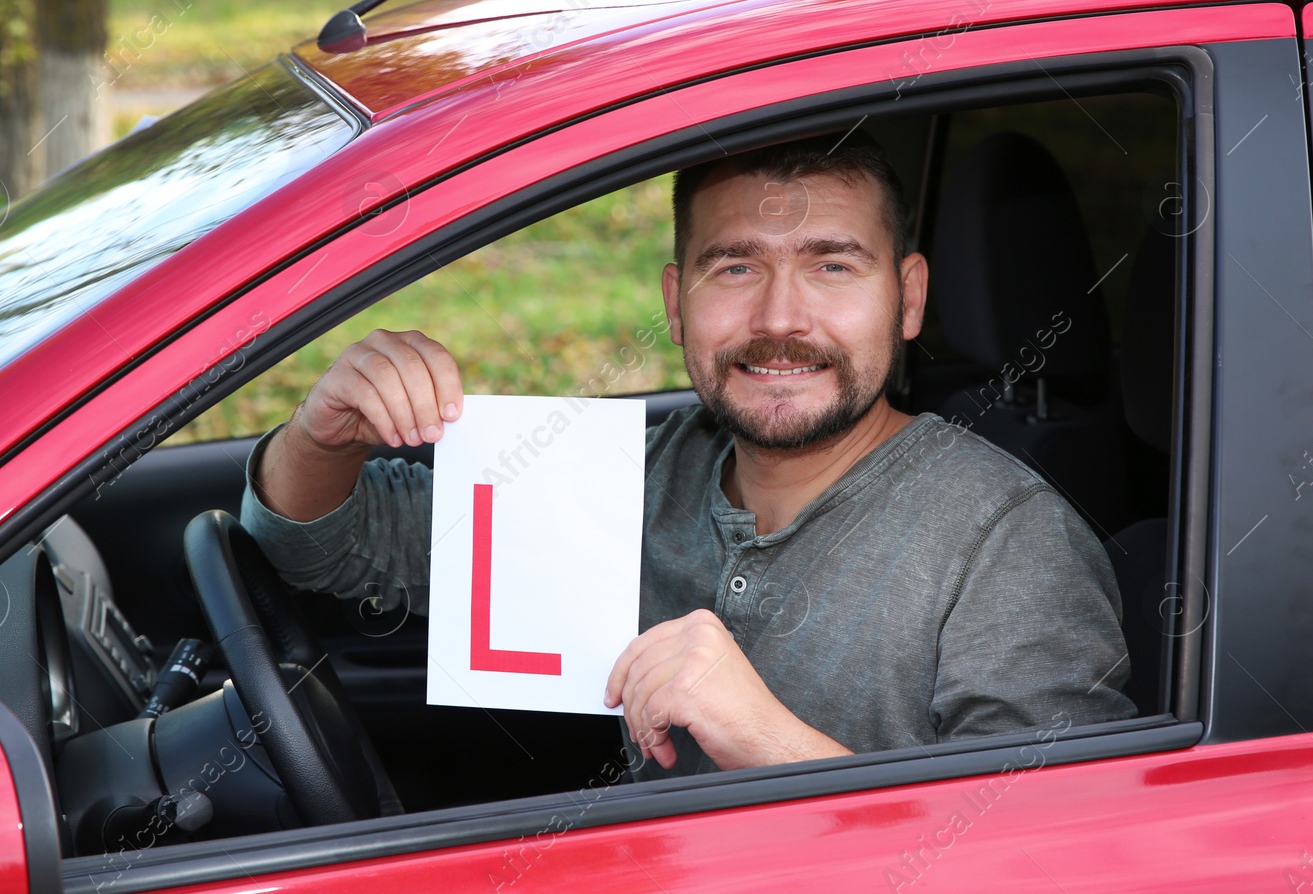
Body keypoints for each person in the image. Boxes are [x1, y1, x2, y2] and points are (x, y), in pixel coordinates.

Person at [241, 133, 1136, 780]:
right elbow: (320, 546)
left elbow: (1049, 875)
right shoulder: (625, 477)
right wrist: (322, 436)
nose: (781, 319)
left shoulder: (1011, 546)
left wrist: (769, 741)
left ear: (907, 298)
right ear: (677, 303)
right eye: (736, 268)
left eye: (832, 267)